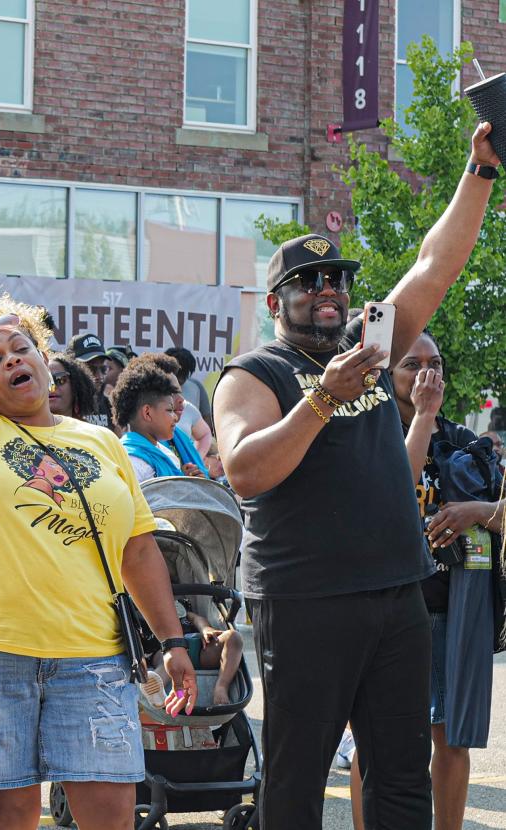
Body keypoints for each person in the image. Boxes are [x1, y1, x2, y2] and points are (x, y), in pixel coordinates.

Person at [212, 121, 499, 830]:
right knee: (296, 778)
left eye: (335, 279)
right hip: (307, 599)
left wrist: (479, 172)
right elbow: (246, 469)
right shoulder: (256, 373)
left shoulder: (370, 349)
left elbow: (436, 265)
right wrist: (322, 397)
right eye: (305, 285)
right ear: (276, 303)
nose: (326, 292)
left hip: (396, 593)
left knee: (402, 773)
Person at [0, 160, 196, 830]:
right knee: (6, 822)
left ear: (44, 356)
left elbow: (140, 549)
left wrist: (176, 641)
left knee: (111, 818)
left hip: (93, 661)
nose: (11, 359)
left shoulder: (102, 442)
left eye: (20, 347)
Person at [345, 331, 505, 830]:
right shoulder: (365, 434)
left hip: (450, 609)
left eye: (434, 363)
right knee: (376, 739)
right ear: (386, 375)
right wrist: (423, 417)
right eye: (412, 365)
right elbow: (386, 493)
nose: (427, 375)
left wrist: (476, 511)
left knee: (451, 739)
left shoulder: (464, 443)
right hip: (385, 608)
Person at [111, 358, 190, 482]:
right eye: (169, 410)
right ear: (147, 413)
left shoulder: (167, 455)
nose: (175, 417)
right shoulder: (131, 461)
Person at [66, 333, 114, 428]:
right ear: (71, 367)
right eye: (91, 369)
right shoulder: (61, 404)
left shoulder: (109, 405)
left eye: (103, 369)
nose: (99, 376)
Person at [47, 353, 107, 427]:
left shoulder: (94, 435)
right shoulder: (28, 436)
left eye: (60, 379)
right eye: (46, 380)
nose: (52, 387)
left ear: (75, 385)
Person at [166, 346, 213, 427]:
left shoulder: (196, 387)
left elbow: (207, 418)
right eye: (178, 373)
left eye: (184, 374)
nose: (180, 379)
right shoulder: (156, 388)